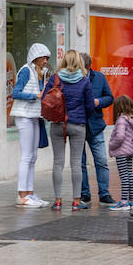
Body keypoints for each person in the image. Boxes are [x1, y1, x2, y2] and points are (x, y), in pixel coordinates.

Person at [45, 49, 95, 211]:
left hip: (58, 124)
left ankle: (58, 200)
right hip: (78, 124)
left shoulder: (55, 78)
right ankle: (76, 200)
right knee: (75, 163)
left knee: (58, 162)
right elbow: (89, 105)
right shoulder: (84, 80)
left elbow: (45, 99)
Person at [9, 43, 53, 208]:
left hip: (34, 116)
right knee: (26, 156)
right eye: (43, 58)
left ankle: (29, 193)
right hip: (24, 116)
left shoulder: (40, 73)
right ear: (36, 58)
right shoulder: (26, 70)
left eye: (47, 59)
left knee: (33, 157)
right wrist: (35, 95)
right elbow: (15, 92)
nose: (45, 61)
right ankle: (22, 195)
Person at [77, 53, 115, 207]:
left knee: (101, 161)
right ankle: (84, 193)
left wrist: (98, 101)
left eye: (83, 68)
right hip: (78, 124)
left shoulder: (99, 77)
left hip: (96, 125)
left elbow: (110, 97)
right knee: (80, 163)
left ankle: (104, 193)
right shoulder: (73, 78)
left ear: (88, 67)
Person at [106, 94, 133, 210]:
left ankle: (123, 202)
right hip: (130, 151)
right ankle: (132, 201)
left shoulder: (121, 120)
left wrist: (112, 145)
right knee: (130, 176)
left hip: (121, 152)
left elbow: (120, 136)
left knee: (124, 177)